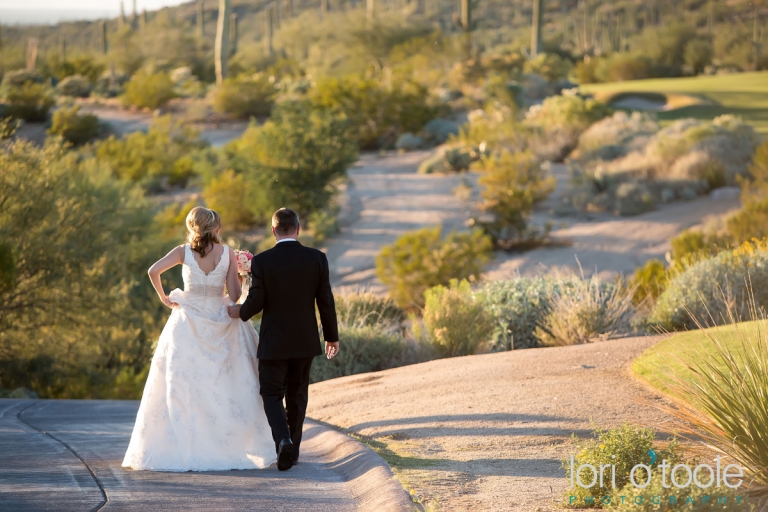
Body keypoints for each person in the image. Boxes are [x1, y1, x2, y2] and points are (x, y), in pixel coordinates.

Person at [122, 207, 275, 471]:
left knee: (183, 384)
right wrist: (238, 274)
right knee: (222, 384)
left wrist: (163, 297)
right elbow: (236, 297)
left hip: (187, 320)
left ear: (192, 226)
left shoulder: (183, 251)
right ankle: (227, 444)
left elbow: (153, 270)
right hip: (220, 317)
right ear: (215, 226)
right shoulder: (227, 253)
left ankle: (186, 445)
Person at [228, 208, 339, 472]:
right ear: (298, 229)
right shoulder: (317, 258)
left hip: (274, 342)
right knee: (297, 395)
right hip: (305, 341)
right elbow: (326, 301)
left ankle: (283, 440)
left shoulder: (263, 261)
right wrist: (331, 337)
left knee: (271, 393)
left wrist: (239, 312)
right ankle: (295, 451)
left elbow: (258, 300)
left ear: (273, 230)